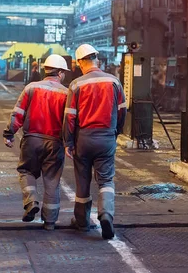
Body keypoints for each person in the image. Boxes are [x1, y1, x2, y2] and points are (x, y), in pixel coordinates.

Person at [62, 44, 126, 239]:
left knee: (83, 180)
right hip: (106, 137)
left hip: (84, 139)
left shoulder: (76, 84)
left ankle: (82, 222)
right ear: (96, 58)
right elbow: (122, 111)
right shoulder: (114, 81)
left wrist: (68, 141)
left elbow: (70, 117)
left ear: (81, 62)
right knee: (106, 180)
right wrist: (115, 133)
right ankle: (106, 214)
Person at [3, 54, 70, 231]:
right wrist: (71, 143)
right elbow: (70, 121)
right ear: (61, 73)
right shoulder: (66, 93)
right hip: (54, 143)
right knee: (52, 181)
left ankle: (31, 200)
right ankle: (49, 222)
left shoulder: (31, 88)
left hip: (31, 140)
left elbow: (18, 113)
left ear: (45, 70)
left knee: (26, 171)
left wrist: (9, 133)